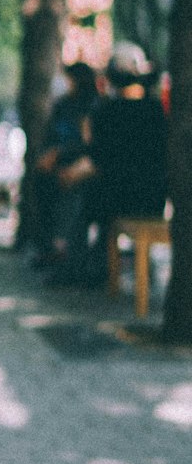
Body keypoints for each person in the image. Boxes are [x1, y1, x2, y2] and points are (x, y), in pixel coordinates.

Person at [56, 42, 168, 284]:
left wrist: (70, 174)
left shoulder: (107, 111)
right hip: (154, 198)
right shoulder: (158, 110)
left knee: (82, 200)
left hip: (116, 197)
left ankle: (75, 268)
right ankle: (110, 266)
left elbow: (98, 158)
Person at [32, 61, 99, 271]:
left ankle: (67, 250)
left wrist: (62, 155)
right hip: (57, 164)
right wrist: (50, 156)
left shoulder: (93, 107)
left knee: (72, 194)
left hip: (81, 166)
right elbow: (51, 137)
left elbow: (90, 145)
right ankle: (49, 247)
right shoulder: (61, 105)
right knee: (43, 185)